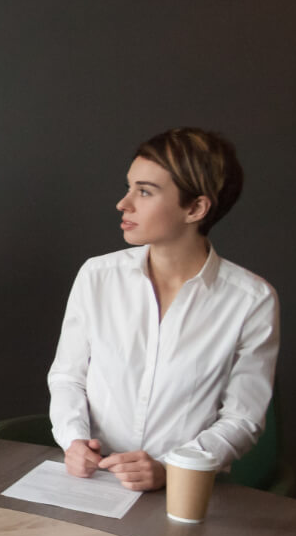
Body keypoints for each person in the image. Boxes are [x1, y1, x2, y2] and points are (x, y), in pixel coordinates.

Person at [48, 128, 279, 491]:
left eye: (144, 191)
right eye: (129, 188)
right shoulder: (98, 276)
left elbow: (242, 418)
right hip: (93, 484)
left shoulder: (251, 300)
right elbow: (67, 377)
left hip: (186, 494)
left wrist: (171, 469)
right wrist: (73, 440)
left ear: (195, 208)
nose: (123, 204)